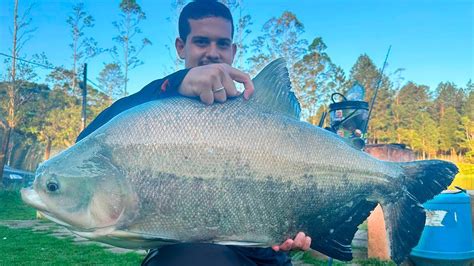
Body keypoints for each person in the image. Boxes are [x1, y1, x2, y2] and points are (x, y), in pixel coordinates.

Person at [76, 1, 311, 265]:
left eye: (222, 44)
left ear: (233, 50)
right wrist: (175, 83)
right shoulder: (159, 108)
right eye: (201, 41)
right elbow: (85, 144)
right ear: (180, 46)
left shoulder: (260, 114)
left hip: (269, 255)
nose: (212, 53)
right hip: (192, 254)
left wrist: (305, 225)